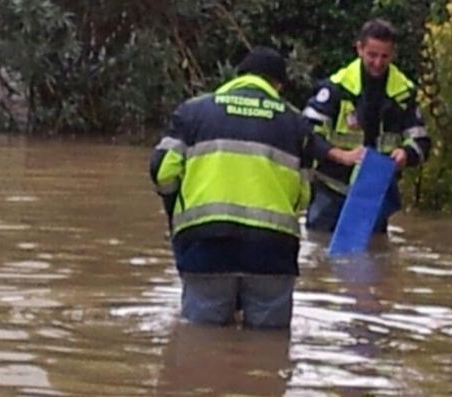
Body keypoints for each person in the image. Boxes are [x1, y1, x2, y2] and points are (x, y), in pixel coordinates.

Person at [149, 46, 363, 329]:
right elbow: (302, 197)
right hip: (272, 252)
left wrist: (175, 209)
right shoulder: (296, 123)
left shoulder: (194, 112)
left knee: (201, 343)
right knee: (269, 349)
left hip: (207, 246)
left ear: (238, 76)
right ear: (278, 84)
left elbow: (162, 171)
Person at [302, 18, 431, 234]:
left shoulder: (404, 93)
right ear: (360, 49)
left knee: (374, 258)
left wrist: (406, 154)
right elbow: (305, 135)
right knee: (321, 251)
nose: (378, 63)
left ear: (393, 54)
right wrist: (341, 156)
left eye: (384, 56)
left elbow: (422, 141)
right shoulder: (336, 88)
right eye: (372, 55)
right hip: (331, 191)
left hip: (374, 194)